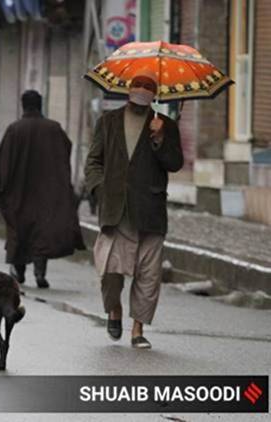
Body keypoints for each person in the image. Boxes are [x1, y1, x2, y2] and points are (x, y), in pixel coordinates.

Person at [84, 68, 184, 349]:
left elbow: (174, 163)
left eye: (147, 90)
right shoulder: (108, 121)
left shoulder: (165, 125)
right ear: (128, 91)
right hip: (116, 211)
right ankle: (114, 310)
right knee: (110, 271)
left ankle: (138, 329)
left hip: (150, 210)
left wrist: (159, 138)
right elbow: (93, 161)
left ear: (154, 96)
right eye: (137, 88)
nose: (141, 93)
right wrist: (100, 188)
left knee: (148, 274)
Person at [0, 90, 85, 289]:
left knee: (19, 232)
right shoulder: (54, 129)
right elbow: (65, 153)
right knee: (41, 234)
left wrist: (1, 188)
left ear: (23, 105)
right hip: (47, 193)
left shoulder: (14, 130)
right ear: (41, 105)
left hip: (19, 194)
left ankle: (18, 270)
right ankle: (40, 271)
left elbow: (3, 164)